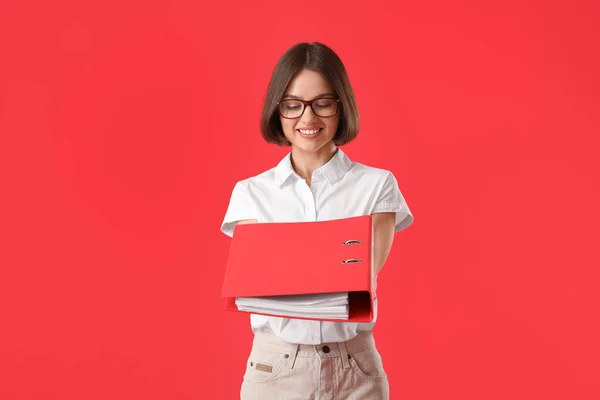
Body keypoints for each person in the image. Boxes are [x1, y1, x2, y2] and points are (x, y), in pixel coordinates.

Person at [220, 42, 414, 399]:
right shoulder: (251, 193)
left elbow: (359, 281)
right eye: (292, 105)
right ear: (277, 111)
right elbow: (260, 289)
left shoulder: (377, 185)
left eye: (322, 103)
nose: (307, 119)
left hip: (355, 368)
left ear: (341, 107)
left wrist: (290, 265)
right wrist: (332, 258)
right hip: (275, 368)